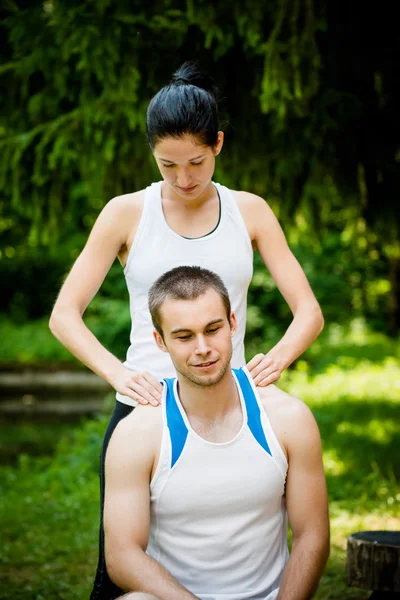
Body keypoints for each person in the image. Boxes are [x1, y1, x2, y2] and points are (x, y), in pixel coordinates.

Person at [49, 62, 324, 599]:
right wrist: (117, 373)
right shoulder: (126, 213)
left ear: (218, 144)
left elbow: (308, 310)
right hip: (149, 405)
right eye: (167, 164)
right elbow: (65, 314)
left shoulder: (252, 212)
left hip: (233, 402)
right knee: (121, 569)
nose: (183, 178)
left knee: (240, 538)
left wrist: (280, 358)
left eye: (196, 161)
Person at [105, 265, 330, 600]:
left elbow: (312, 534)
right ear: (160, 341)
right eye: (184, 336)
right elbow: (122, 555)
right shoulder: (137, 433)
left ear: (232, 324)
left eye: (213, 329)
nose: (202, 348)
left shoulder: (287, 417)